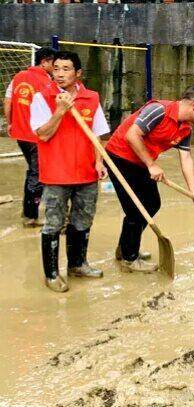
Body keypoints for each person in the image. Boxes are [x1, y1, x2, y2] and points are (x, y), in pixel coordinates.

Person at [105, 86, 194, 273]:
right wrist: (151, 164)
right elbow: (132, 134)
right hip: (119, 156)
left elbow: (186, 158)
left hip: (141, 162)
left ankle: (126, 247)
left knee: (152, 203)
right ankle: (129, 258)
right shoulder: (159, 110)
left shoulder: (185, 128)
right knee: (135, 208)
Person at [30, 51, 109, 293]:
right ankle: (52, 274)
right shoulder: (43, 98)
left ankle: (78, 264)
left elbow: (97, 134)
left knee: (83, 219)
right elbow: (42, 133)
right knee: (53, 223)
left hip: (86, 172)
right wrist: (61, 111)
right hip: (56, 173)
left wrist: (99, 162)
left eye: (66, 69)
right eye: (56, 69)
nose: (60, 74)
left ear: (78, 73)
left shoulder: (91, 98)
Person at [3, 47, 56, 227]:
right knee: (37, 173)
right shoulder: (46, 82)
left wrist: (10, 123)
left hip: (20, 134)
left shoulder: (18, 77)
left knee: (33, 170)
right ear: (44, 62)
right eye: (53, 63)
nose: (55, 68)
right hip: (36, 136)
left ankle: (28, 211)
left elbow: (8, 101)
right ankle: (30, 216)